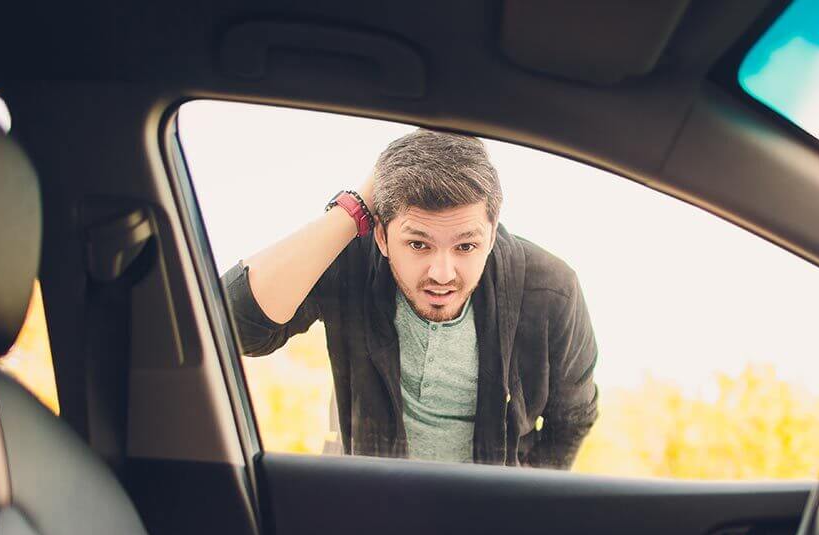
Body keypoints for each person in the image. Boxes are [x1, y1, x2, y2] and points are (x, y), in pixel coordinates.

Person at [223, 129, 598, 469]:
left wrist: (521, 504)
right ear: (382, 237)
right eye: (418, 244)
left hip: (488, 521)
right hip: (369, 509)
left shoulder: (552, 288)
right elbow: (234, 327)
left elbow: (572, 419)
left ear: (492, 233)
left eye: (466, 245)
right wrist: (354, 208)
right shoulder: (352, 258)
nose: (442, 273)